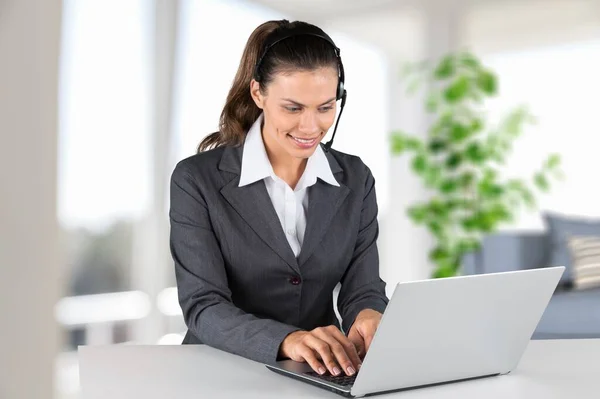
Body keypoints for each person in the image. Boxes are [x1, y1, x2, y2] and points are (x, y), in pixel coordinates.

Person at [169, 19, 389, 378]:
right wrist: (288, 339)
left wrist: (367, 313)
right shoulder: (197, 179)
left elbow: (362, 287)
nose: (311, 127)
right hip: (220, 372)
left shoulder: (356, 178)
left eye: (325, 107)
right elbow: (203, 306)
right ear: (258, 93)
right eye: (293, 108)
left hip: (321, 374)